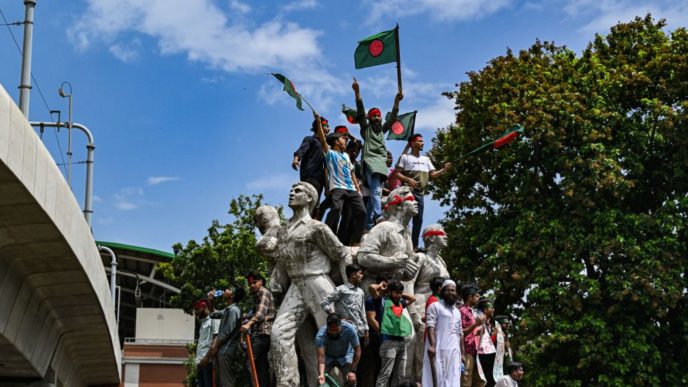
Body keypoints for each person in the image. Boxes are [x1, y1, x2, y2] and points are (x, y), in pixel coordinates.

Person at [268, 181, 352, 387]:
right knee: (279, 334)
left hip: (319, 284)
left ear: (309, 199)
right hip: (296, 286)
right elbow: (282, 258)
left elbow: (341, 254)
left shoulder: (317, 227)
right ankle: (288, 383)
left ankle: (336, 384)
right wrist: (276, 280)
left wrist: (349, 287)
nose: (291, 193)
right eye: (291, 190)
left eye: (298, 191)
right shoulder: (284, 230)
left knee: (333, 338)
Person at [352, 78, 403, 231]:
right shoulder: (366, 130)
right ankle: (378, 215)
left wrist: (396, 101)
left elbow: (393, 118)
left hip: (381, 163)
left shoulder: (382, 130)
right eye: (374, 116)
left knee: (375, 193)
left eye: (378, 116)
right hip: (370, 161)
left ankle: (367, 226)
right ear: (369, 118)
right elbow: (360, 112)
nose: (377, 118)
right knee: (376, 191)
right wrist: (357, 93)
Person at [313, 113, 366, 245]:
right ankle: (327, 234)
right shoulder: (330, 153)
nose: (345, 141)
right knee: (336, 209)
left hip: (351, 189)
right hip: (337, 188)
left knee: (362, 212)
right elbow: (322, 139)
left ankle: (355, 241)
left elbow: (352, 173)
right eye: (343, 139)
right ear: (336, 142)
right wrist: (318, 122)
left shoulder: (347, 156)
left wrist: (358, 189)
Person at [393, 133, 452, 249]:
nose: (422, 143)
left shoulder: (426, 159)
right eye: (419, 141)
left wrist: (444, 169)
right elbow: (396, 173)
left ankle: (413, 246)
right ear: (412, 143)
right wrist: (407, 179)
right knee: (404, 218)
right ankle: (398, 242)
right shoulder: (405, 157)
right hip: (407, 192)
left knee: (418, 220)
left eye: (422, 141)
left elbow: (433, 175)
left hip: (420, 193)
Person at [422, 279, 465, 387]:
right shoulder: (435, 306)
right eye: (448, 290)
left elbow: (460, 333)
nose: (451, 292)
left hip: (455, 351)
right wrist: (432, 345)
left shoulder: (457, 312)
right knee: (438, 379)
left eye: (453, 290)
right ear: (442, 291)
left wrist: (463, 353)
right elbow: (430, 325)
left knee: (454, 379)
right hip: (439, 349)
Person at [375, 280, 416, 387]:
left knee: (400, 376)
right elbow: (372, 288)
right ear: (389, 292)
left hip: (401, 342)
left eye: (400, 293)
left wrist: (401, 293)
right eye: (396, 292)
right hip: (388, 342)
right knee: (385, 374)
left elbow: (413, 298)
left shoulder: (401, 303)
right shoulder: (383, 302)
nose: (398, 295)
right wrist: (384, 287)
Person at [240, 272, 275, 387]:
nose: (252, 285)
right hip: (264, 333)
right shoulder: (257, 296)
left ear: (261, 281)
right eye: (250, 283)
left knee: (248, 362)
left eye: (254, 282)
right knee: (261, 365)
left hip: (262, 332)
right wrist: (244, 317)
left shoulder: (263, 292)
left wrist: (248, 324)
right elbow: (256, 313)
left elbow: (260, 314)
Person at [359, 272, 393, 386]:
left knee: (388, 368)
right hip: (379, 337)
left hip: (390, 337)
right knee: (380, 366)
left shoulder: (389, 299)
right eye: (388, 284)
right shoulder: (372, 299)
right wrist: (383, 332)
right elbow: (371, 319)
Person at [321, 264, 369, 344]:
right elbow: (324, 303)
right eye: (360, 273)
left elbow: (362, 311)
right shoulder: (341, 290)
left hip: (360, 331)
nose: (362, 276)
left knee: (360, 354)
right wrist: (335, 318)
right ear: (353, 275)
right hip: (345, 331)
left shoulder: (360, 292)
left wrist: (366, 329)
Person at [292, 117, 330, 217]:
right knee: (307, 202)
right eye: (326, 126)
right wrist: (296, 159)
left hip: (320, 180)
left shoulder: (326, 146)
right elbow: (301, 150)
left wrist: (326, 186)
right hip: (309, 176)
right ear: (319, 127)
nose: (329, 129)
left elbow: (326, 167)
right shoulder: (310, 139)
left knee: (316, 204)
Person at [210, 285, 246, 387]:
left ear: (232, 295)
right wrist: (211, 301)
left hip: (226, 350)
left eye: (228, 289)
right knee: (221, 381)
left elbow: (226, 332)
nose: (225, 290)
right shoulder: (229, 309)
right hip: (223, 350)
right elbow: (213, 314)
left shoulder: (233, 311)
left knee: (226, 382)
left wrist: (215, 347)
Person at [316, 313, 361, 387]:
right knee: (321, 382)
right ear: (327, 327)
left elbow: (357, 350)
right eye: (331, 330)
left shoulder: (350, 329)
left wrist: (353, 371)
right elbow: (321, 357)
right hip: (327, 357)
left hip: (345, 356)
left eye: (336, 330)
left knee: (351, 380)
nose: (334, 332)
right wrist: (321, 374)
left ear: (341, 326)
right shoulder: (320, 335)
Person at [460, 284, 485, 387]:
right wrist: (475, 324)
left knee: (480, 382)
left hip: (475, 352)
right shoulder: (462, 311)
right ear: (470, 297)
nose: (478, 298)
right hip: (466, 351)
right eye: (476, 296)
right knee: (466, 382)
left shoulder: (472, 312)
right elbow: (460, 332)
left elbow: (471, 331)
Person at [194, 298, 220, 387]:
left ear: (204, 307)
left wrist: (206, 358)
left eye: (197, 309)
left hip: (208, 362)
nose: (195, 312)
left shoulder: (214, 319)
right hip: (201, 361)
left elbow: (216, 340)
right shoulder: (203, 322)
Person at [475, 298, 501, 387]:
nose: (493, 309)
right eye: (491, 308)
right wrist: (494, 335)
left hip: (490, 358)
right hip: (482, 358)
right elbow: (482, 343)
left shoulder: (489, 324)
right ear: (485, 310)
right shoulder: (478, 322)